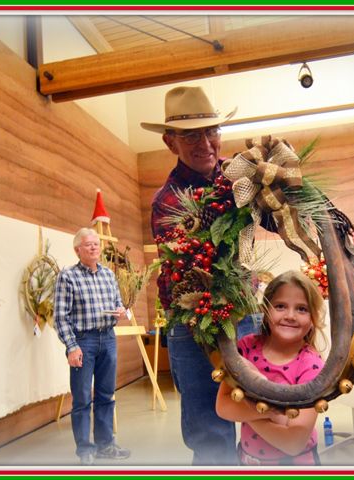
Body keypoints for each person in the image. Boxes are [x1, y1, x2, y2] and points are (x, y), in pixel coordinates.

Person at [143, 85, 243, 465]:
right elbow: (187, 270)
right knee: (209, 429)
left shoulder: (241, 176)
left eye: (211, 131)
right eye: (190, 135)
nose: (206, 143)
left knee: (259, 415)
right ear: (171, 142)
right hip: (192, 321)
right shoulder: (167, 201)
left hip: (243, 312)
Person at [216, 270, 326, 466]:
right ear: (265, 312)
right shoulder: (246, 347)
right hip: (247, 461)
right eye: (280, 306)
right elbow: (223, 407)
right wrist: (277, 413)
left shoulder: (311, 365)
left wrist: (252, 406)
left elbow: (293, 442)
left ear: (313, 319)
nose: (290, 316)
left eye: (301, 309)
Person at [54, 228, 130, 466]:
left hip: (108, 338)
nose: (94, 247)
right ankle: (85, 450)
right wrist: (71, 347)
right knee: (82, 398)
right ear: (77, 250)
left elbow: (118, 304)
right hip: (83, 341)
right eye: (88, 244)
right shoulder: (67, 277)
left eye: (96, 243)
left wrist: (121, 312)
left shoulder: (108, 275)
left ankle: (106, 445)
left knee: (107, 395)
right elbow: (60, 317)